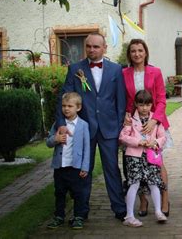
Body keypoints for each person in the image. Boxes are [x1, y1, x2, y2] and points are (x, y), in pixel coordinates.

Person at [55, 32, 127, 221]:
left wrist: (119, 127)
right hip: (83, 129)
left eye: (96, 46)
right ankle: (81, 211)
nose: (92, 50)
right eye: (88, 46)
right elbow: (63, 98)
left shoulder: (116, 69)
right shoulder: (75, 69)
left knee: (112, 169)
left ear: (104, 48)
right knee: (82, 170)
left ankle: (120, 208)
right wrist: (61, 124)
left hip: (109, 128)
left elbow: (121, 101)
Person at [122, 39, 171, 217]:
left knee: (157, 162)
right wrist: (127, 115)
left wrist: (154, 121)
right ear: (129, 54)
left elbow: (162, 99)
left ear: (145, 52)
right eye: (133, 51)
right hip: (135, 124)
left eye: (140, 50)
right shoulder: (124, 73)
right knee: (136, 163)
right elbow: (128, 100)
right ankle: (143, 201)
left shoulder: (155, 72)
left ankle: (164, 199)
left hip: (154, 122)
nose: (137, 54)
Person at [119, 90, 167, 226]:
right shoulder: (130, 120)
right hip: (134, 157)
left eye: (147, 105)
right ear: (136, 104)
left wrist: (155, 142)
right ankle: (129, 216)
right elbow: (123, 137)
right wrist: (137, 142)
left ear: (152, 105)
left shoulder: (155, 120)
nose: (144, 108)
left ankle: (158, 211)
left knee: (154, 183)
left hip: (151, 157)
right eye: (141, 105)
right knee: (134, 184)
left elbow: (163, 137)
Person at [46, 92, 90, 230]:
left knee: (78, 193)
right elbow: (48, 142)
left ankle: (78, 217)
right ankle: (59, 216)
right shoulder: (58, 124)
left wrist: (85, 167)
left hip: (75, 166)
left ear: (78, 107)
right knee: (59, 192)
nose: (66, 109)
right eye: (64, 106)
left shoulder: (83, 125)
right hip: (60, 167)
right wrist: (56, 139)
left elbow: (87, 147)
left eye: (70, 106)